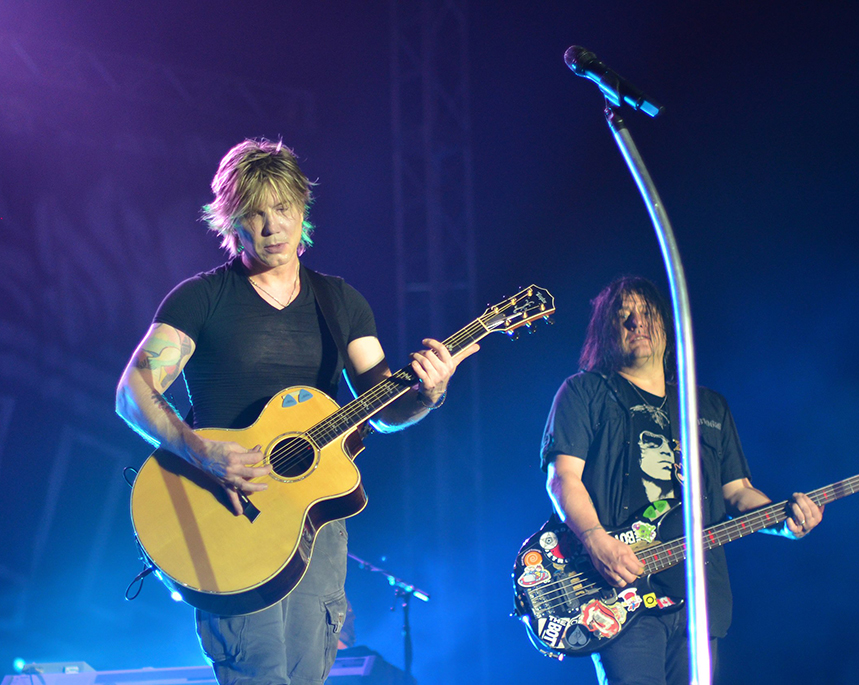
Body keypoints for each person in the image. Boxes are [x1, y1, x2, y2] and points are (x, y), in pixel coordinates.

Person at [115, 138, 477, 685]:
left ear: (302, 210)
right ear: (231, 222)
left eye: (283, 207)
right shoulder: (200, 299)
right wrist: (203, 452)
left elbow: (382, 407)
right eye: (255, 213)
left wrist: (428, 394)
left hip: (317, 521)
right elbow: (132, 392)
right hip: (227, 515)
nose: (272, 226)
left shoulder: (341, 302)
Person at [540, 275, 823, 685]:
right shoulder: (583, 393)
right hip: (623, 595)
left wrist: (784, 520)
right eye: (624, 316)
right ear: (607, 332)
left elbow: (737, 492)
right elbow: (562, 478)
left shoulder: (705, 405)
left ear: (667, 325)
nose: (637, 322)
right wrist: (597, 540)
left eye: (647, 313)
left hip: (698, 597)